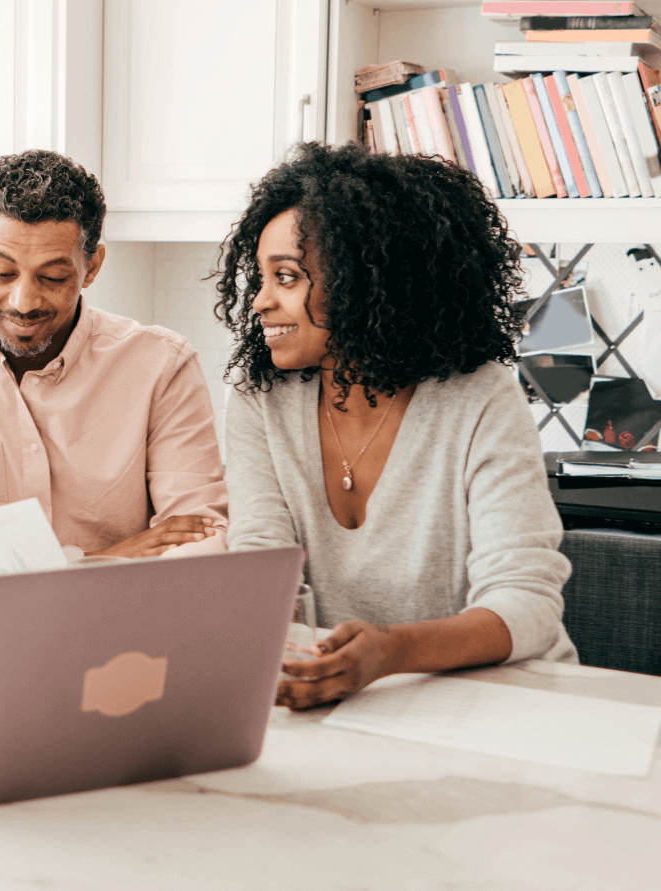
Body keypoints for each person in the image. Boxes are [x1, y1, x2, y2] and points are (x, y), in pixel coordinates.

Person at [215, 143, 577, 710]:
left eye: (286, 277)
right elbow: (262, 571)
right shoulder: (260, 400)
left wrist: (391, 652)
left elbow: (526, 603)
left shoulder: (479, 397)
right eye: (260, 278)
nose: (259, 301)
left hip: (500, 702)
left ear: (365, 281)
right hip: (345, 700)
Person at [0, 150, 229, 558]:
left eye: (53, 277)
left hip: (121, 617)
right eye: (3, 273)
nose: (24, 301)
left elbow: (197, 538)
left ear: (92, 266)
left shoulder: (163, 366)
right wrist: (99, 560)